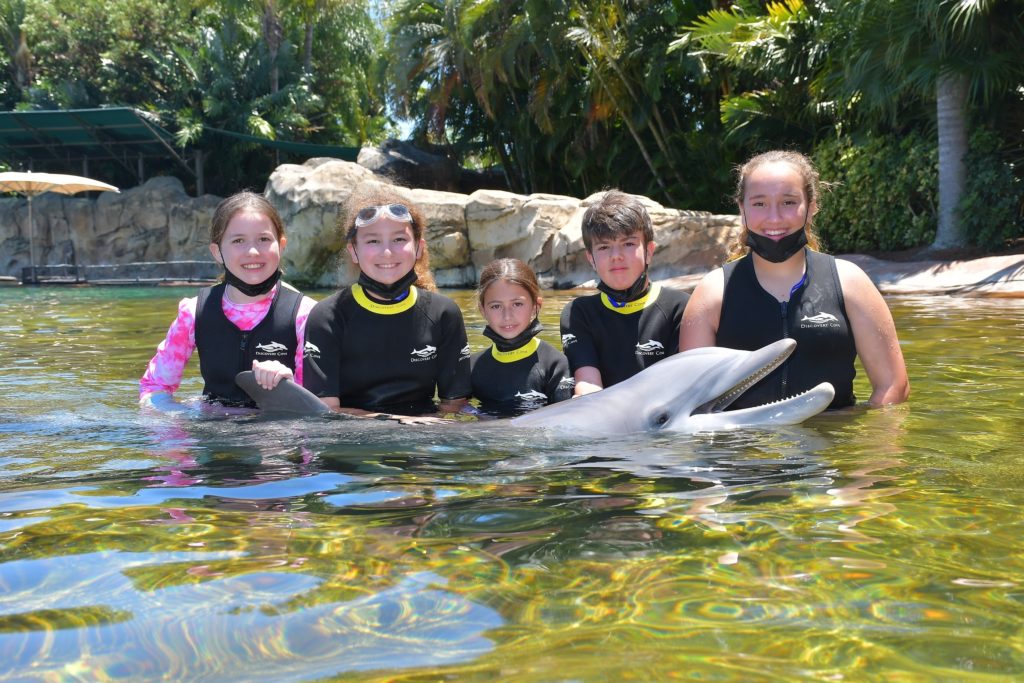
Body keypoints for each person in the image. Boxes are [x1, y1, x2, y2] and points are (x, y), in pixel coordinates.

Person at [679, 150, 909, 408]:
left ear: (811, 208)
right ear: (742, 209)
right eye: (759, 203)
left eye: (788, 202)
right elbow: (690, 402)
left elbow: (893, 386)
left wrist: (864, 447)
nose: (774, 218)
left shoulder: (850, 282)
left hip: (832, 444)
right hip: (743, 447)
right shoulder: (713, 293)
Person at [302, 188, 471, 421]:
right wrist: (398, 422)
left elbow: (455, 406)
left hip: (421, 445)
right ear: (354, 251)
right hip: (353, 445)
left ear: (419, 248)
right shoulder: (328, 315)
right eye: (373, 240)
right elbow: (325, 412)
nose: (388, 252)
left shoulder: (443, 313)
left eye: (399, 239)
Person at [140, 191, 317, 408]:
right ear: (217, 251)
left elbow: (319, 405)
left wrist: (289, 385)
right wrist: (179, 431)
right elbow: (154, 386)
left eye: (263, 239)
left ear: (280, 245)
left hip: (279, 436)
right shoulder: (194, 312)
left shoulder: (306, 315)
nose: (252, 251)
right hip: (211, 432)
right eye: (238, 240)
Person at [560, 190, 690, 396]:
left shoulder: (680, 307)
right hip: (605, 416)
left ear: (649, 251)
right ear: (590, 258)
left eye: (628, 244)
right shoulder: (579, 312)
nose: (616, 256)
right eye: (604, 247)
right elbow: (588, 386)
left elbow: (683, 385)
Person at [470, 258, 574, 416]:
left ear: (535, 306)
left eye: (517, 304)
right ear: (483, 310)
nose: (507, 316)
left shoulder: (555, 365)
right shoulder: (471, 367)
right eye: (496, 306)